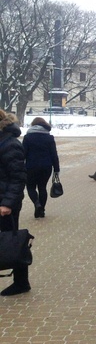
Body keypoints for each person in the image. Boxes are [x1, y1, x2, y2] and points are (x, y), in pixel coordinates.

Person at [0, 109, 30, 296]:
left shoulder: (10, 144)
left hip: (5, 202)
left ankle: (21, 282)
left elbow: (18, 177)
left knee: (12, 241)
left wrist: (7, 203)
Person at [22, 117, 60, 219]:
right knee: (42, 187)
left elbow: (23, 154)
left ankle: (36, 203)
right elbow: (54, 154)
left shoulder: (28, 137)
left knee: (30, 187)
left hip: (31, 166)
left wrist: (20, 166)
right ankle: (42, 210)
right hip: (46, 167)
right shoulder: (49, 138)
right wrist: (56, 169)